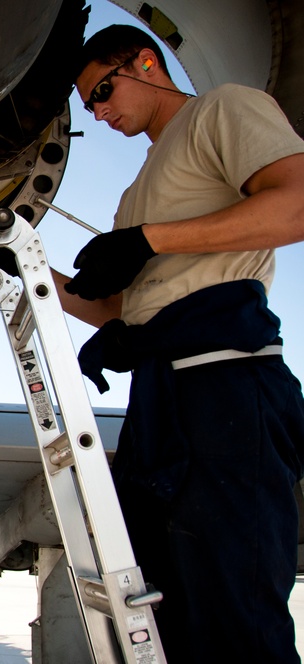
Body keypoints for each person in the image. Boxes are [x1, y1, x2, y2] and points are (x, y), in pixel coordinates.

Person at [54, 23, 304, 662]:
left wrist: (148, 241)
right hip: (162, 404)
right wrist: (24, 275)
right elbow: (120, 309)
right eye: (90, 105)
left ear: (146, 62)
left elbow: (296, 206)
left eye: (104, 90)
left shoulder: (224, 108)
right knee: (164, 613)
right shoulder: (137, 192)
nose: (100, 110)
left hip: (227, 384)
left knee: (234, 614)